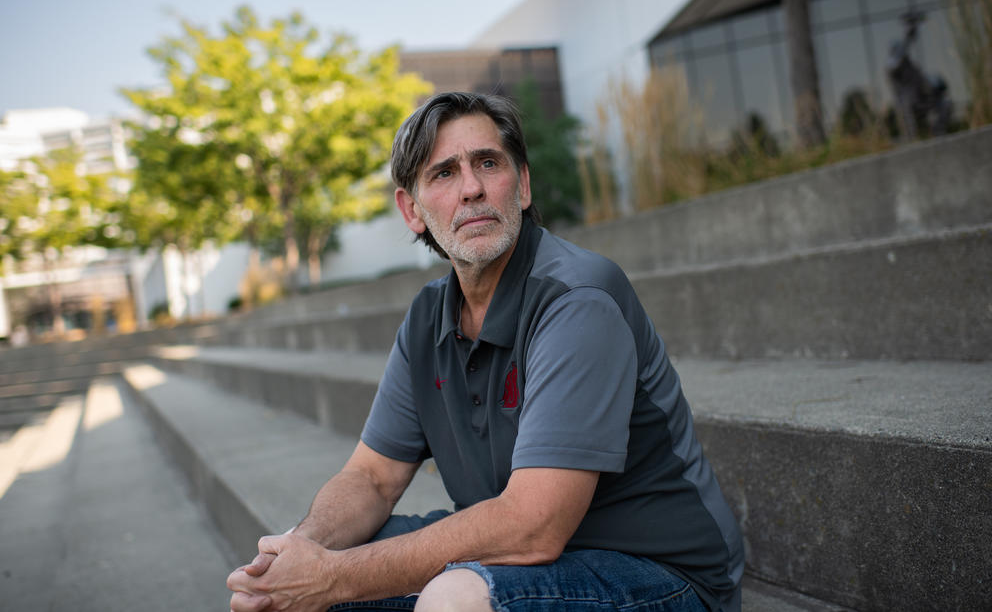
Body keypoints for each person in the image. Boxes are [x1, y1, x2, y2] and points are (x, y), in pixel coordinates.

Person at [227, 92, 745, 612]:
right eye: (444, 173)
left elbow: (533, 527)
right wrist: (302, 550)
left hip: (658, 573)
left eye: (488, 163)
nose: (471, 188)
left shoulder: (577, 300)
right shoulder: (428, 316)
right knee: (297, 577)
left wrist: (334, 578)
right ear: (413, 209)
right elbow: (372, 478)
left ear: (520, 185)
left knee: (453, 600)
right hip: (523, 558)